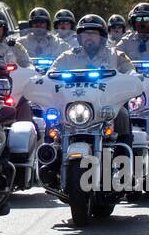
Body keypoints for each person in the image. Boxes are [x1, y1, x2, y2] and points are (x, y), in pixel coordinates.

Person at [54, 14, 135, 144]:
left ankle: (123, 155)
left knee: (122, 114)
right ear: (80, 37)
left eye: (93, 33)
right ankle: (49, 154)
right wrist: (41, 79)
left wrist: (133, 76)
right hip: (72, 106)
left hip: (106, 105)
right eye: (85, 34)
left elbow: (129, 70)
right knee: (51, 115)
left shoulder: (115, 55)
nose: (89, 37)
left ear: (102, 37)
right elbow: (51, 73)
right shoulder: (68, 56)